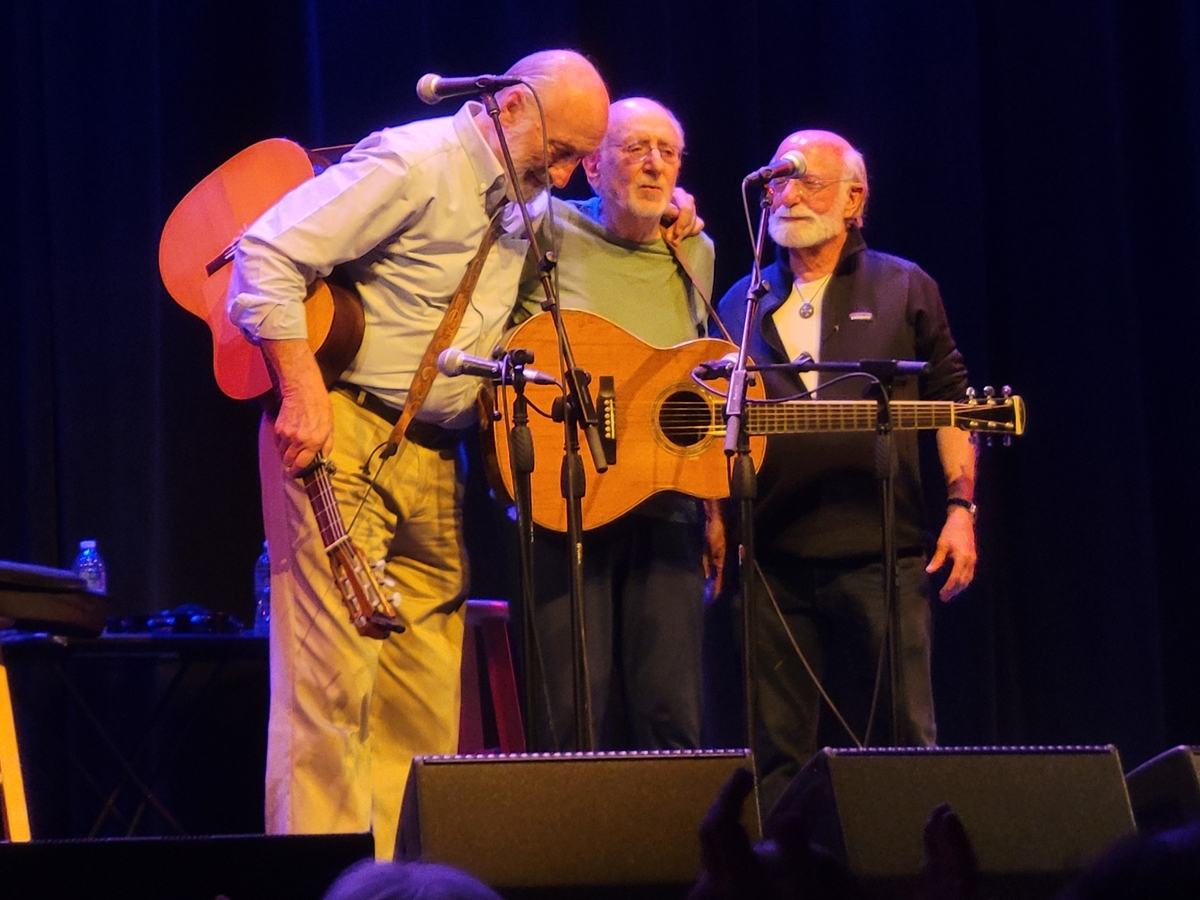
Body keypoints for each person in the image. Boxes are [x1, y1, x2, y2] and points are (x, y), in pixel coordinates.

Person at [226, 49, 609, 858]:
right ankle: (320, 881)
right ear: (512, 110)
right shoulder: (415, 160)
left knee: (423, 702)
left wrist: (668, 213)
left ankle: (399, 881)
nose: (573, 177)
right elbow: (263, 255)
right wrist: (299, 394)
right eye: (565, 153)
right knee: (330, 695)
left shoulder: (528, 197)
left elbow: (598, 233)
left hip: (437, 455)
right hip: (344, 432)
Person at [715, 130, 977, 815]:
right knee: (776, 755)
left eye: (806, 179)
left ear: (854, 199)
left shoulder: (904, 285)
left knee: (902, 739)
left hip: (881, 555)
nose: (787, 194)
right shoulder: (744, 297)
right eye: (778, 179)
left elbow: (952, 401)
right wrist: (715, 523)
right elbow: (717, 421)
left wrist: (960, 508)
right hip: (769, 561)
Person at [514, 97, 714, 751]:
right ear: (593, 169)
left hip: (667, 500)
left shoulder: (696, 251)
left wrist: (714, 509)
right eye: (635, 148)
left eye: (667, 151)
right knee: (572, 710)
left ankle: (679, 851)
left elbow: (698, 381)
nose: (654, 163)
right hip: (564, 495)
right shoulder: (546, 229)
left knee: (671, 710)